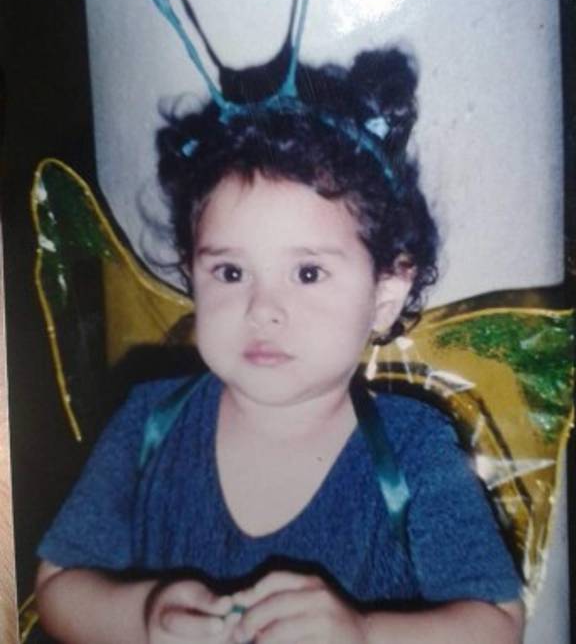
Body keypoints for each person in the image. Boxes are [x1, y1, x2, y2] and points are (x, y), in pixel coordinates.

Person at [34, 49, 526, 644]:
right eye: (231, 273)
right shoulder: (147, 422)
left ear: (384, 294)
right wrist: (141, 616)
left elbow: (498, 622)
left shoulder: (414, 448)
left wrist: (363, 635)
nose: (262, 308)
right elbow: (56, 585)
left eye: (308, 273)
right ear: (191, 276)